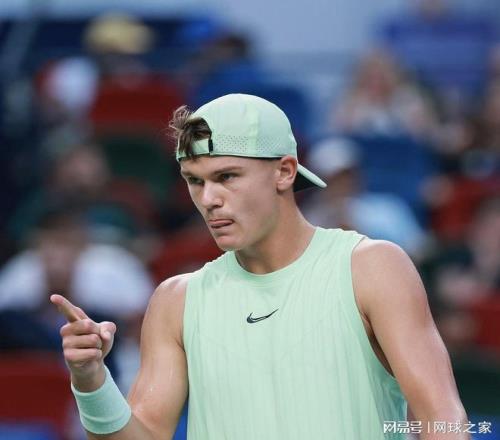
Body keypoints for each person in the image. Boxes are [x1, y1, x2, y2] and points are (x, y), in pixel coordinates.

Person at [51, 94, 468, 439]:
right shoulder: (176, 301)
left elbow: (443, 419)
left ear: (284, 172)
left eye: (227, 176)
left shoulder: (373, 268)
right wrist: (91, 381)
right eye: (195, 180)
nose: (208, 199)